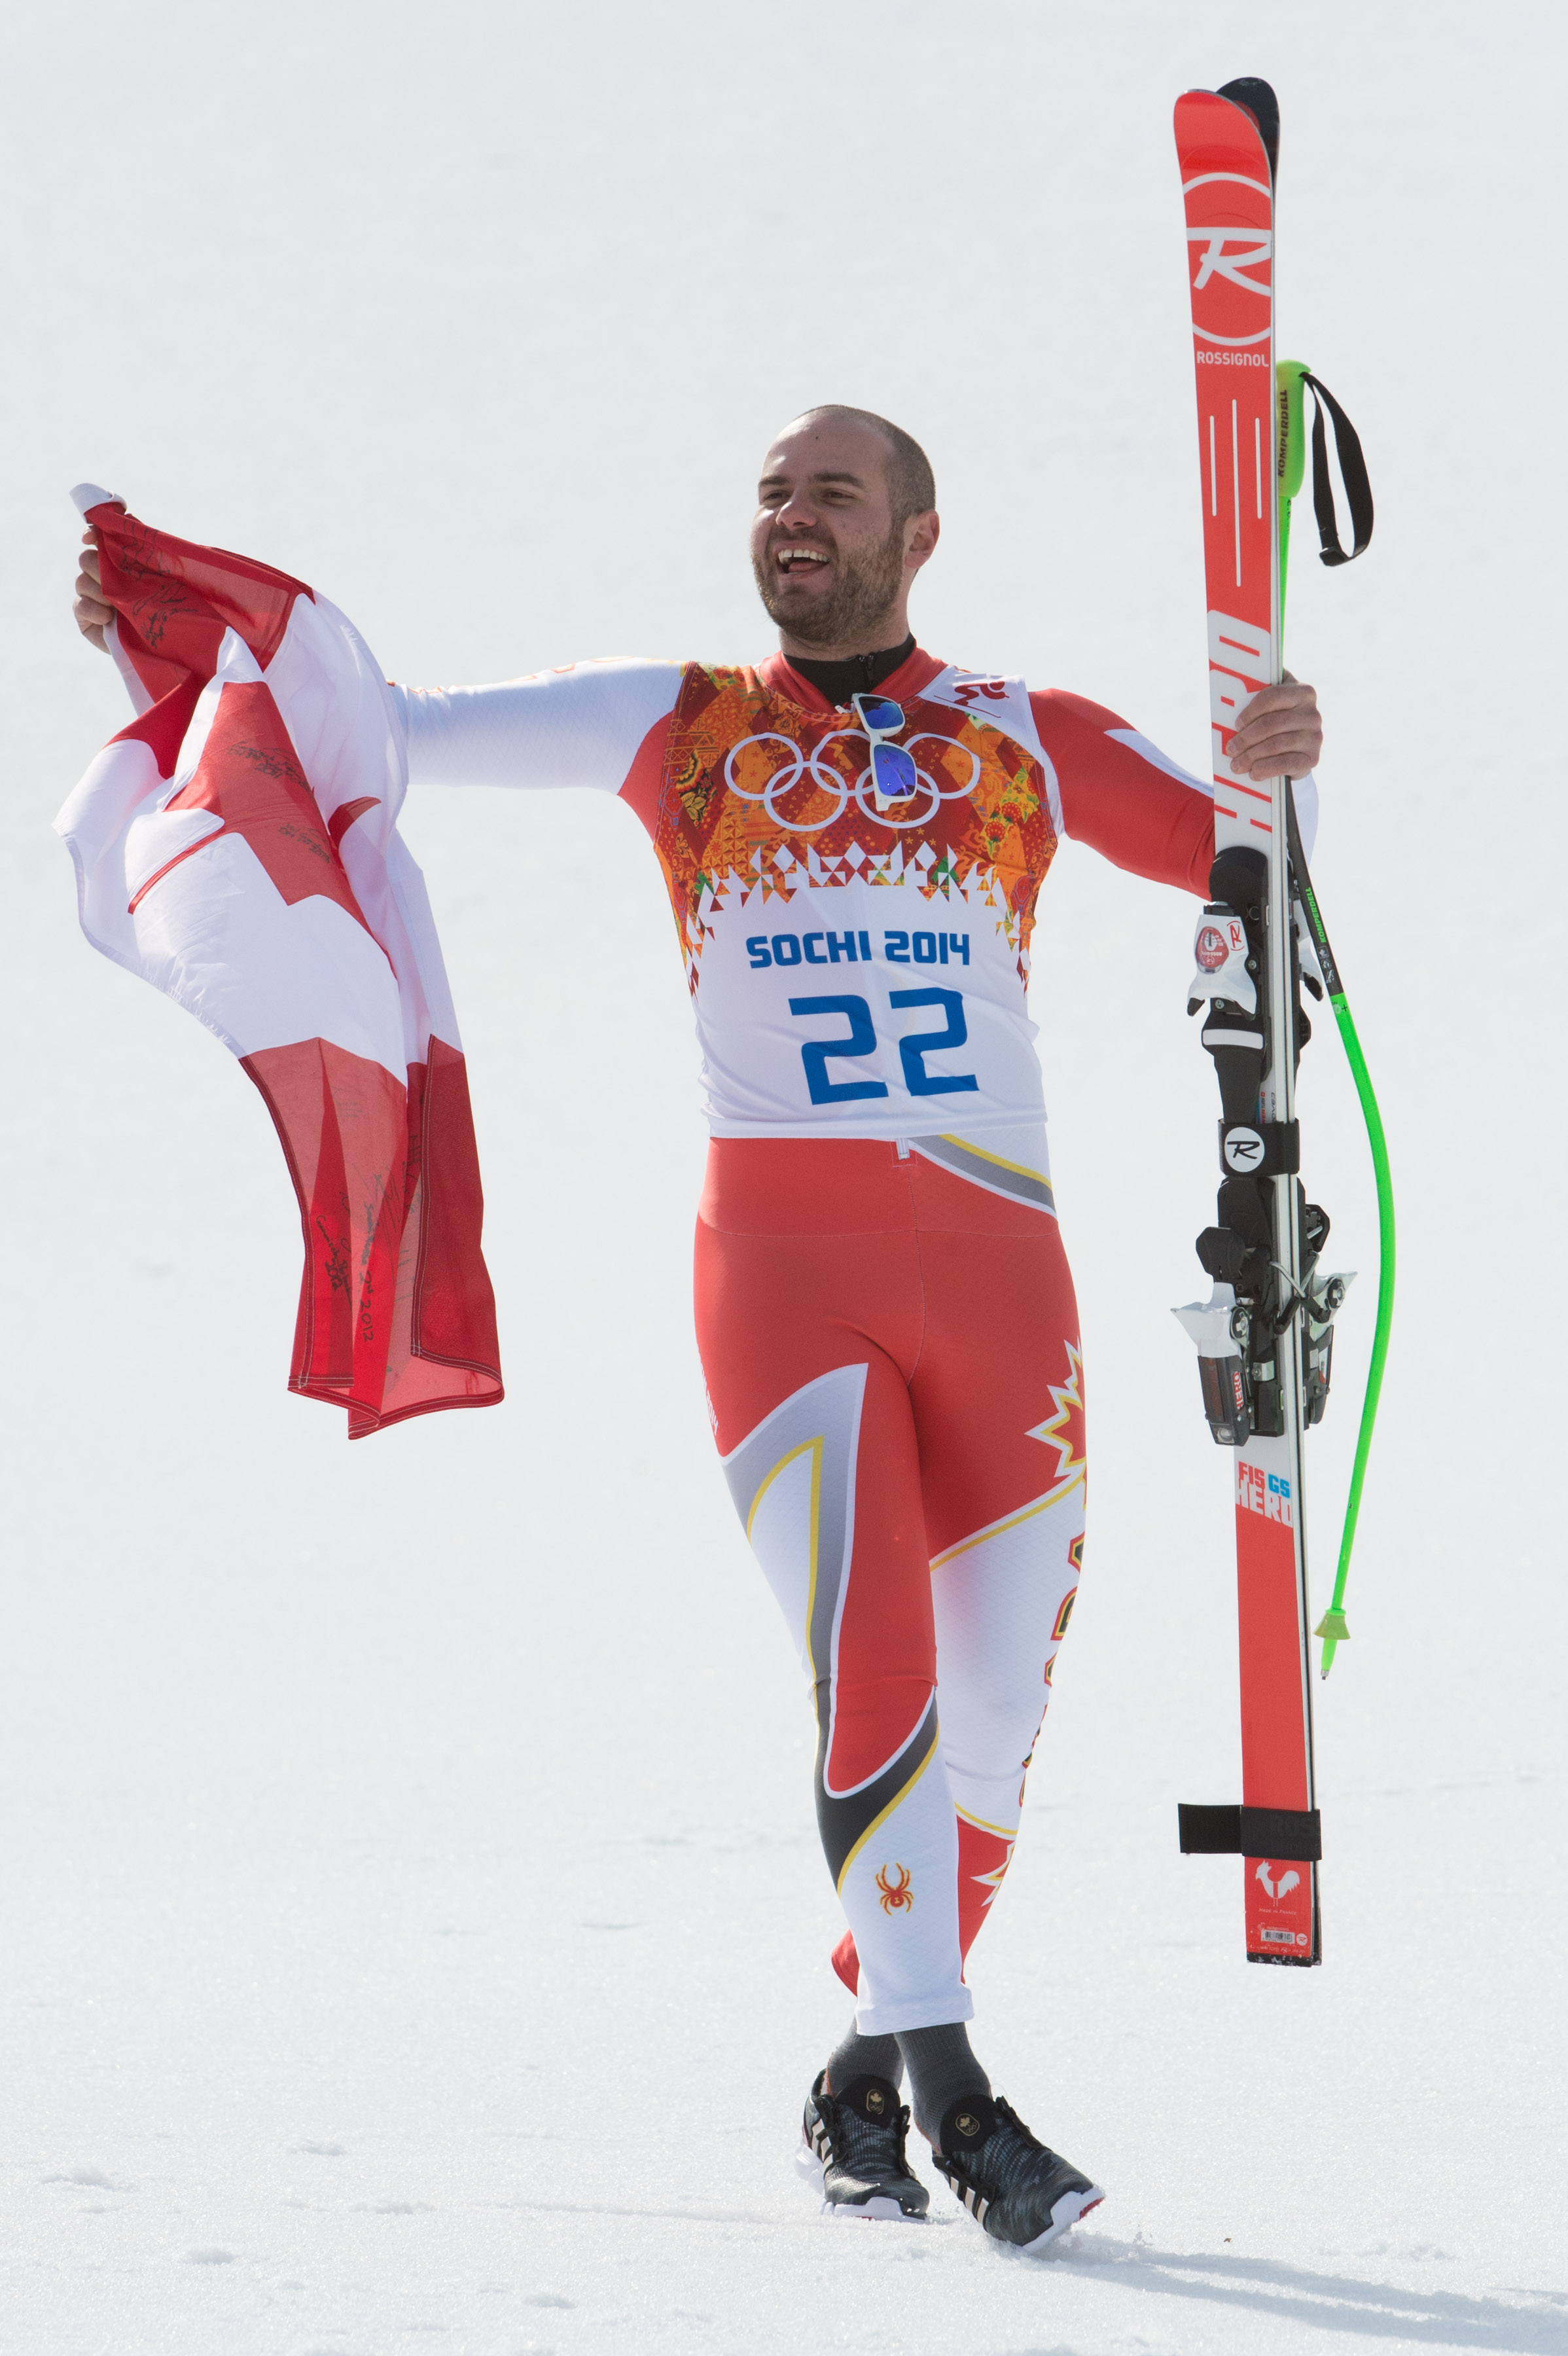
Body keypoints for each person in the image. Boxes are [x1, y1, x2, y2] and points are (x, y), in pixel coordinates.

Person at [73, 406, 1322, 2255]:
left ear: (917, 530)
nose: (791, 516)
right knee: (873, 1670)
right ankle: (958, 2096)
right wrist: (206, 639)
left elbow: (1255, 885)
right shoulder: (675, 718)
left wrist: (1283, 774)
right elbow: (384, 733)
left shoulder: (1027, 738)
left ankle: (862, 2061)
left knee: (986, 1731)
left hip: (1003, 1284)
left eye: (831, 491)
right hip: (783, 1279)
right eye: (769, 493)